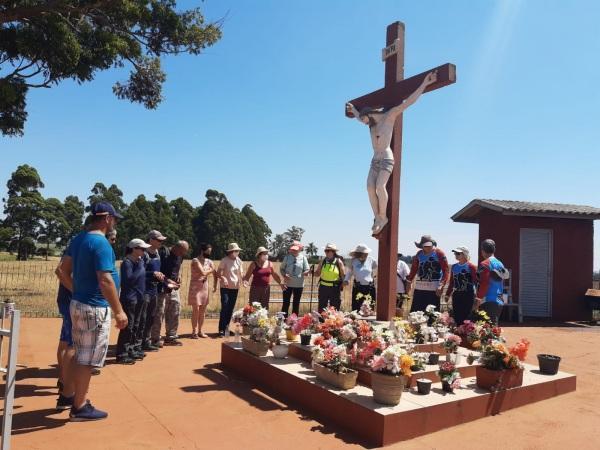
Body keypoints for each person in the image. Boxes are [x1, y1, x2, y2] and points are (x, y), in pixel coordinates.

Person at [55, 201, 127, 421]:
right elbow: (105, 280)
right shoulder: (102, 244)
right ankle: (79, 406)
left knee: (79, 352)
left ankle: (69, 394)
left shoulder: (79, 239)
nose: (114, 223)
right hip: (94, 309)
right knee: (87, 359)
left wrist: (78, 291)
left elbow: (61, 271)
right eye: (114, 219)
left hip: (78, 304)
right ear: (106, 219)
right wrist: (119, 311)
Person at [345, 71, 437, 235]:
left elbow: (408, 102)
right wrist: (354, 110)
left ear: (370, 114)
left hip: (387, 158)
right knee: (369, 187)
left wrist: (425, 84)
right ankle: (377, 217)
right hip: (375, 159)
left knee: (380, 186)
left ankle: (383, 216)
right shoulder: (370, 122)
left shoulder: (389, 116)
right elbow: (360, 117)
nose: (364, 123)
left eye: (365, 119)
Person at [116, 239, 151, 364]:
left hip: (139, 298)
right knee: (128, 327)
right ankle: (122, 353)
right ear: (134, 249)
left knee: (136, 325)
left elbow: (141, 277)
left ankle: (131, 349)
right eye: (142, 249)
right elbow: (129, 280)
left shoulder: (137, 262)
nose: (144, 251)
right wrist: (141, 266)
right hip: (130, 298)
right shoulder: (127, 263)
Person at [54, 251, 78, 410]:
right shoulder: (77, 248)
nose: (113, 241)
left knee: (65, 342)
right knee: (72, 344)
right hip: (70, 301)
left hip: (69, 300)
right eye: (111, 238)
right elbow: (60, 271)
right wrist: (77, 291)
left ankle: (63, 381)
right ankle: (67, 391)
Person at [406, 235, 449, 312]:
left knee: (432, 313)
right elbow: (414, 269)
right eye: (423, 246)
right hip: (419, 288)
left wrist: (441, 285)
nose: (425, 248)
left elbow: (446, 270)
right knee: (417, 311)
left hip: (433, 289)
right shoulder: (419, 254)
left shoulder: (439, 253)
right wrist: (409, 281)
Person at [141, 230, 166, 351]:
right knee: (143, 317)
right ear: (151, 240)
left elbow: (157, 271)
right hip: (145, 290)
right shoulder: (144, 254)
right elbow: (140, 273)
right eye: (159, 240)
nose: (161, 242)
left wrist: (164, 278)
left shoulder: (157, 253)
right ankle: (138, 342)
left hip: (154, 289)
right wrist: (153, 273)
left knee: (151, 316)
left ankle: (146, 341)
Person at [160, 240, 189, 346]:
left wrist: (178, 276)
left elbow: (177, 268)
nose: (182, 255)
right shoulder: (164, 253)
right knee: (160, 312)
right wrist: (167, 281)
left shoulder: (180, 256)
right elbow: (158, 270)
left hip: (173, 288)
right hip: (162, 287)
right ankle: (154, 338)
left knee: (175, 310)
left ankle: (171, 336)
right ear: (175, 247)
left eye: (184, 253)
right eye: (181, 252)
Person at [214, 243, 244, 337]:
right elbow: (218, 273)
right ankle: (221, 330)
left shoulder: (239, 261)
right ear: (231, 252)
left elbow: (241, 273)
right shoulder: (224, 260)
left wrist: (244, 280)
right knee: (225, 306)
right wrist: (223, 278)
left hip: (235, 288)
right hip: (225, 288)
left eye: (238, 251)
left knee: (230, 309)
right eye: (236, 251)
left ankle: (226, 329)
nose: (237, 252)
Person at [476, 239, 508, 325]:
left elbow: (484, 283)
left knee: (488, 332)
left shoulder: (485, 264)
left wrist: (478, 298)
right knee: (493, 328)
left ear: (482, 251)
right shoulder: (500, 264)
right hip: (499, 300)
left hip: (488, 301)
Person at [188, 243, 215, 338]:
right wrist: (211, 270)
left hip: (204, 287)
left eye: (210, 252)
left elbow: (215, 273)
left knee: (203, 310)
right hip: (195, 287)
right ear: (202, 251)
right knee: (196, 309)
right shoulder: (195, 260)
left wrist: (215, 285)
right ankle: (194, 331)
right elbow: (203, 272)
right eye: (207, 252)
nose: (209, 254)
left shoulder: (210, 261)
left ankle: (200, 331)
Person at [445, 246, 477, 326]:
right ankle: (458, 335)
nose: (456, 255)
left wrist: (478, 296)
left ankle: (467, 336)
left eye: (458, 253)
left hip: (468, 294)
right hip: (457, 294)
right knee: (457, 316)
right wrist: (447, 294)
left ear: (464, 254)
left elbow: (476, 282)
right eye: (455, 253)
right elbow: (452, 282)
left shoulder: (471, 266)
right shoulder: (454, 266)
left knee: (467, 317)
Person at [280, 243, 310, 317]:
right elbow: (281, 269)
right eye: (293, 249)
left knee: (296, 303)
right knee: (286, 303)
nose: (294, 251)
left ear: (299, 250)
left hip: (299, 285)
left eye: (296, 249)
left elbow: (307, 269)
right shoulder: (286, 257)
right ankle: (283, 320)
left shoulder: (303, 258)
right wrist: (284, 275)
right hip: (287, 284)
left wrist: (306, 272)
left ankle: (294, 321)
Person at [344, 244, 377, 311]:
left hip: (369, 287)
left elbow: (376, 268)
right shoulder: (353, 261)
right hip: (358, 287)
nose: (367, 254)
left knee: (369, 308)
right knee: (357, 308)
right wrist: (346, 280)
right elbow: (350, 272)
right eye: (365, 253)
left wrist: (376, 276)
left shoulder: (371, 260)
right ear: (359, 254)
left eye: (367, 253)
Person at [315, 243, 346, 311]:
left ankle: (334, 321)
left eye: (329, 250)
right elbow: (317, 274)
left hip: (335, 288)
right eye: (326, 250)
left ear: (334, 252)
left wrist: (344, 283)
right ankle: (322, 321)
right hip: (323, 287)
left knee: (334, 308)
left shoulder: (339, 261)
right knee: (322, 308)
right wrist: (312, 272)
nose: (327, 252)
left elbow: (343, 274)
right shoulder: (323, 261)